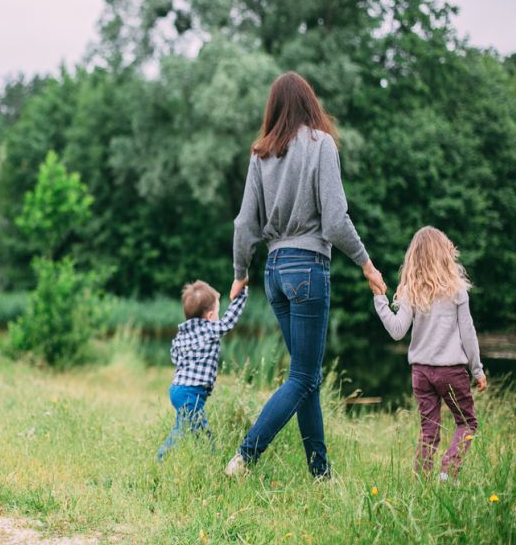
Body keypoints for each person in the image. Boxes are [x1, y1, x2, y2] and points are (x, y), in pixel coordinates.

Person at [226, 72, 386, 478]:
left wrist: (240, 272)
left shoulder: (261, 153)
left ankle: (320, 474)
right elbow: (334, 221)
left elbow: (245, 223)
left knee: (306, 374)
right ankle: (245, 456)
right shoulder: (321, 144)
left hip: (275, 273)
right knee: (302, 375)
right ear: (309, 103)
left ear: (274, 108)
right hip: (308, 267)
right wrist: (367, 264)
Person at [372, 226, 487, 479]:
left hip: (421, 373)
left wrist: (380, 300)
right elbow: (468, 333)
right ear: (445, 254)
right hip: (451, 372)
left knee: (429, 430)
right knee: (467, 423)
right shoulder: (457, 290)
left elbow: (397, 331)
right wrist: (477, 370)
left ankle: (422, 482)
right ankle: (449, 470)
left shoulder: (410, 290)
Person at [157, 280, 248, 461]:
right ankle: (166, 459)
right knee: (193, 431)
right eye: (217, 313)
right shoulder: (209, 329)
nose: (218, 317)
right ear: (210, 315)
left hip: (178, 389)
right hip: (191, 392)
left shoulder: (182, 334)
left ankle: (204, 458)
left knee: (187, 426)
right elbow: (229, 323)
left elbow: (174, 356)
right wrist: (242, 294)